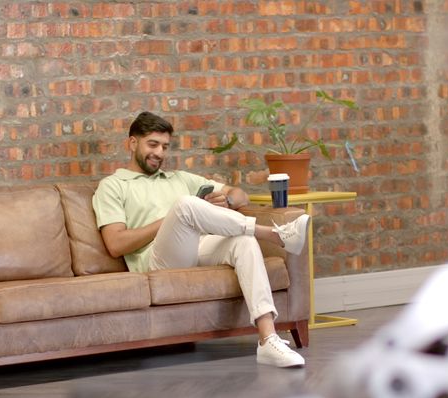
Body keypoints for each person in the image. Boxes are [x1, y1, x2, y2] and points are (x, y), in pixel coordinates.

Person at [93, 111, 310, 367]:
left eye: (165, 146)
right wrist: (172, 219)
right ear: (132, 143)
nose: (160, 153)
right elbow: (116, 244)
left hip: (196, 248)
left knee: (243, 241)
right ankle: (275, 235)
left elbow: (241, 195)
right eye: (152, 144)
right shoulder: (113, 185)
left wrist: (228, 200)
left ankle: (267, 338)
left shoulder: (180, 178)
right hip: (157, 261)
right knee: (185, 205)